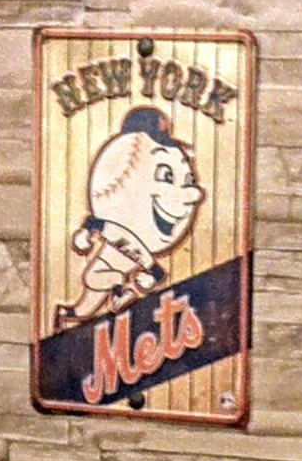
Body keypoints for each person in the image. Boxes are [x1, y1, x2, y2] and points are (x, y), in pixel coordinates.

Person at [65, 108, 206, 318]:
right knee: (92, 282)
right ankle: (108, 297)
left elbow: (155, 270)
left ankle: (116, 293)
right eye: (167, 176)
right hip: (121, 250)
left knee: (93, 279)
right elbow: (96, 225)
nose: (192, 195)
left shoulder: (119, 233)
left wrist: (151, 278)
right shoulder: (114, 222)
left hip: (130, 251)